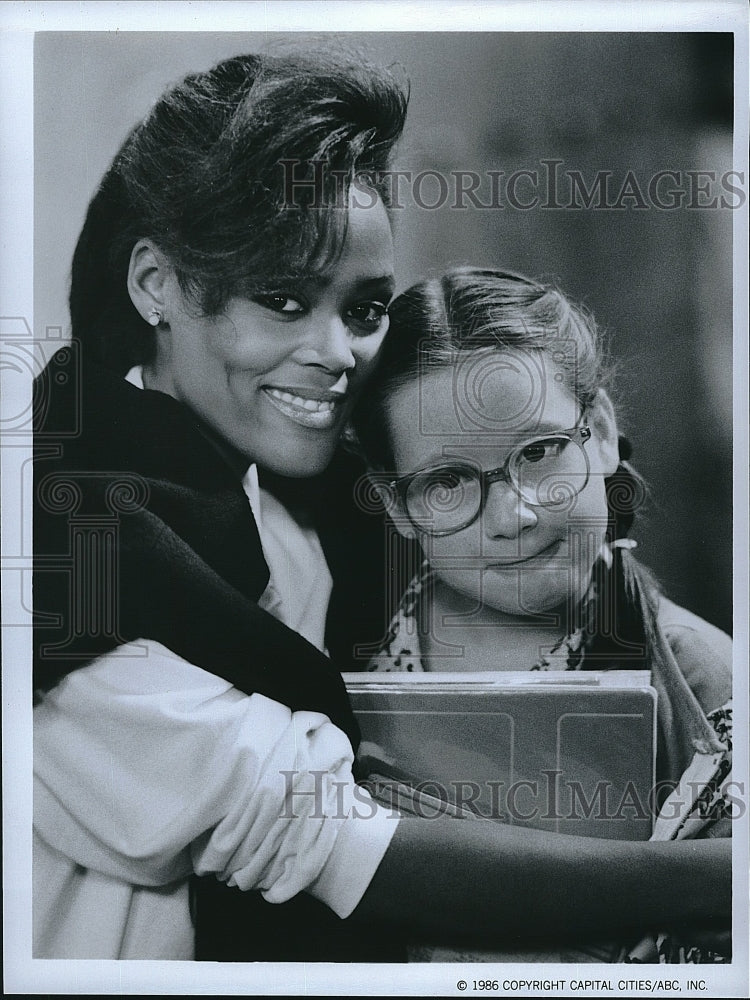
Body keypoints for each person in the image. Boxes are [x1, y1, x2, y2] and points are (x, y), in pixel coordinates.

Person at [32, 53, 731, 962]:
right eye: (280, 300)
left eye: (363, 307)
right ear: (155, 284)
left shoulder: (315, 491)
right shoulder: (67, 573)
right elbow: (356, 855)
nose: (335, 352)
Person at [353, 266, 733, 962]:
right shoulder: (330, 652)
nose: (515, 514)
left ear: (604, 433)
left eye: (538, 452)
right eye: (446, 481)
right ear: (397, 506)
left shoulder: (710, 688)